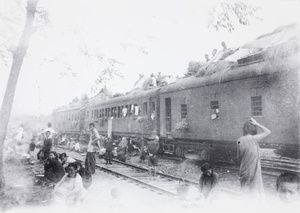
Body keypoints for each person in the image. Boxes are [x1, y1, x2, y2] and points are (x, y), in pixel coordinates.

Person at [237, 118, 271, 198]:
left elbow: (238, 156)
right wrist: (257, 124)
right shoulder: (255, 139)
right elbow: (268, 132)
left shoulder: (239, 140)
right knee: (254, 193)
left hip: (243, 169)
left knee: (244, 192)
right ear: (253, 129)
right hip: (253, 171)